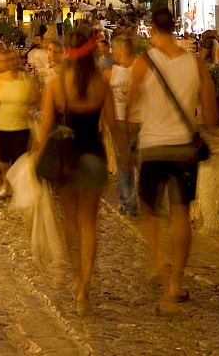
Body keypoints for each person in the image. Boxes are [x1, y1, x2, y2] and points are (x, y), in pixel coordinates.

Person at [36, 28, 131, 315]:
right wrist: (126, 155)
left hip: (65, 159)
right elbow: (114, 126)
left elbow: (44, 129)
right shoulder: (101, 84)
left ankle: (76, 275)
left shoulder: (55, 86)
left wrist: (37, 157)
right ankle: (85, 287)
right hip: (93, 156)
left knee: (71, 221)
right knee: (90, 222)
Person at [128, 6, 218, 305]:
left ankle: (157, 261)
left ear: (152, 30)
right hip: (182, 147)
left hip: (153, 146)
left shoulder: (144, 63)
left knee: (149, 210)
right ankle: (177, 282)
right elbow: (211, 114)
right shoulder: (194, 63)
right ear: (175, 28)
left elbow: (129, 106)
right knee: (181, 216)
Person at [0, 49, 39, 197]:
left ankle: (18, 186)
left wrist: (30, 107)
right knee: (4, 158)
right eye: (7, 60)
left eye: (13, 60)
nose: (10, 63)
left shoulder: (26, 78)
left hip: (21, 124)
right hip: (1, 123)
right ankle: (6, 185)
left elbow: (37, 97)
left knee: (19, 158)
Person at [104, 35, 139, 216]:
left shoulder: (139, 69)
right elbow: (104, 98)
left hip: (137, 120)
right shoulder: (111, 72)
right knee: (123, 162)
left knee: (137, 160)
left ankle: (139, 201)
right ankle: (129, 203)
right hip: (118, 120)